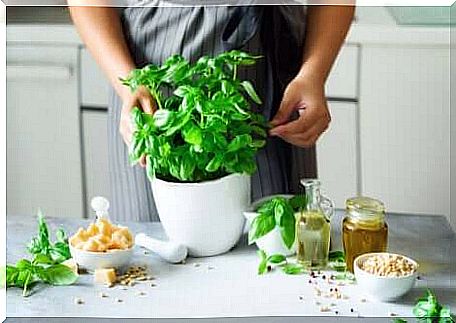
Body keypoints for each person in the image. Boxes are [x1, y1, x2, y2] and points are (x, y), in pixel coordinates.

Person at [68, 1, 355, 222]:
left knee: (276, 254)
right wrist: (130, 85)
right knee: (153, 266)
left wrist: (313, 74)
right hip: (155, 77)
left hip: (276, 72)